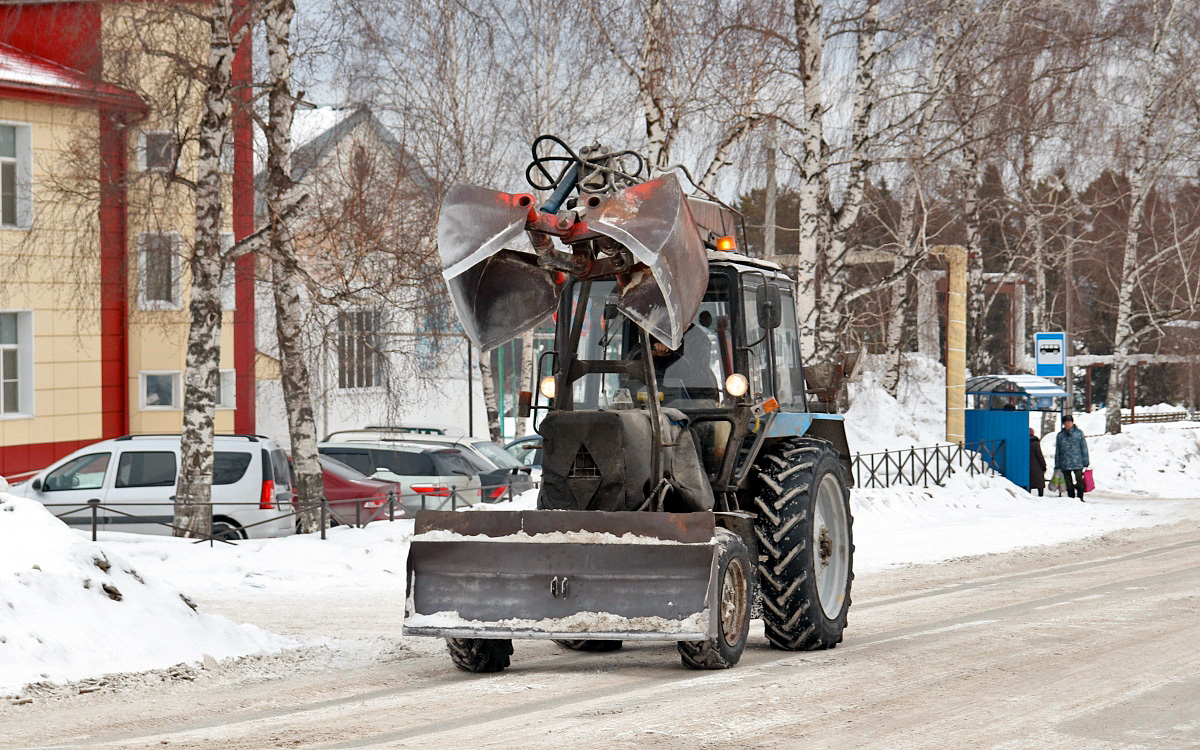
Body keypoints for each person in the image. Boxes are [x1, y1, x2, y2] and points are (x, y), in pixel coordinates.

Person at [1054, 414, 1090, 501]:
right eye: (1066, 422)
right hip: (1065, 462)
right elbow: (1058, 450)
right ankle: (1071, 498)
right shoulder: (1060, 435)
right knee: (1068, 481)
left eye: (1069, 422)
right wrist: (1057, 464)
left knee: (1079, 480)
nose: (1068, 424)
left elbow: (1084, 447)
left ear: (1073, 423)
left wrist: (1086, 461)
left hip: (1078, 461)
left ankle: (1080, 497)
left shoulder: (1079, 433)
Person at [1029, 428, 1047, 496]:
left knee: (1029, 482)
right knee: (1039, 483)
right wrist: (1044, 465)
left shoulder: (1023, 442)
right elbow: (1039, 455)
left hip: (1027, 467)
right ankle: (1041, 494)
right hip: (1036, 467)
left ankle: (1028, 494)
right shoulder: (1035, 443)